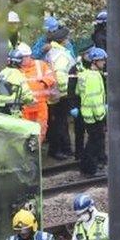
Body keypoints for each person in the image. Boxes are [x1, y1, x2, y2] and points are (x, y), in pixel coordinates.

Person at [45, 27, 78, 159]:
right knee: (59, 123)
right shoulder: (60, 54)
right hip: (61, 93)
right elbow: (60, 74)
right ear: (63, 40)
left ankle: (64, 148)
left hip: (55, 92)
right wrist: (68, 90)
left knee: (59, 122)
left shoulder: (53, 52)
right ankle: (59, 149)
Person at [75, 47, 108, 177]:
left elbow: (78, 92)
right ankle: (89, 170)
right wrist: (101, 114)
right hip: (95, 115)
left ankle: (86, 167)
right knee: (94, 143)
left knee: (92, 141)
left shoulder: (84, 74)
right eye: (102, 61)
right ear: (95, 61)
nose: (104, 63)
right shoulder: (94, 76)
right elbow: (94, 99)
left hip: (88, 114)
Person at [0, 49, 35, 115]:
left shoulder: (3, 72)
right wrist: (30, 100)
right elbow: (26, 93)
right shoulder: (17, 74)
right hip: (12, 108)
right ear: (20, 62)